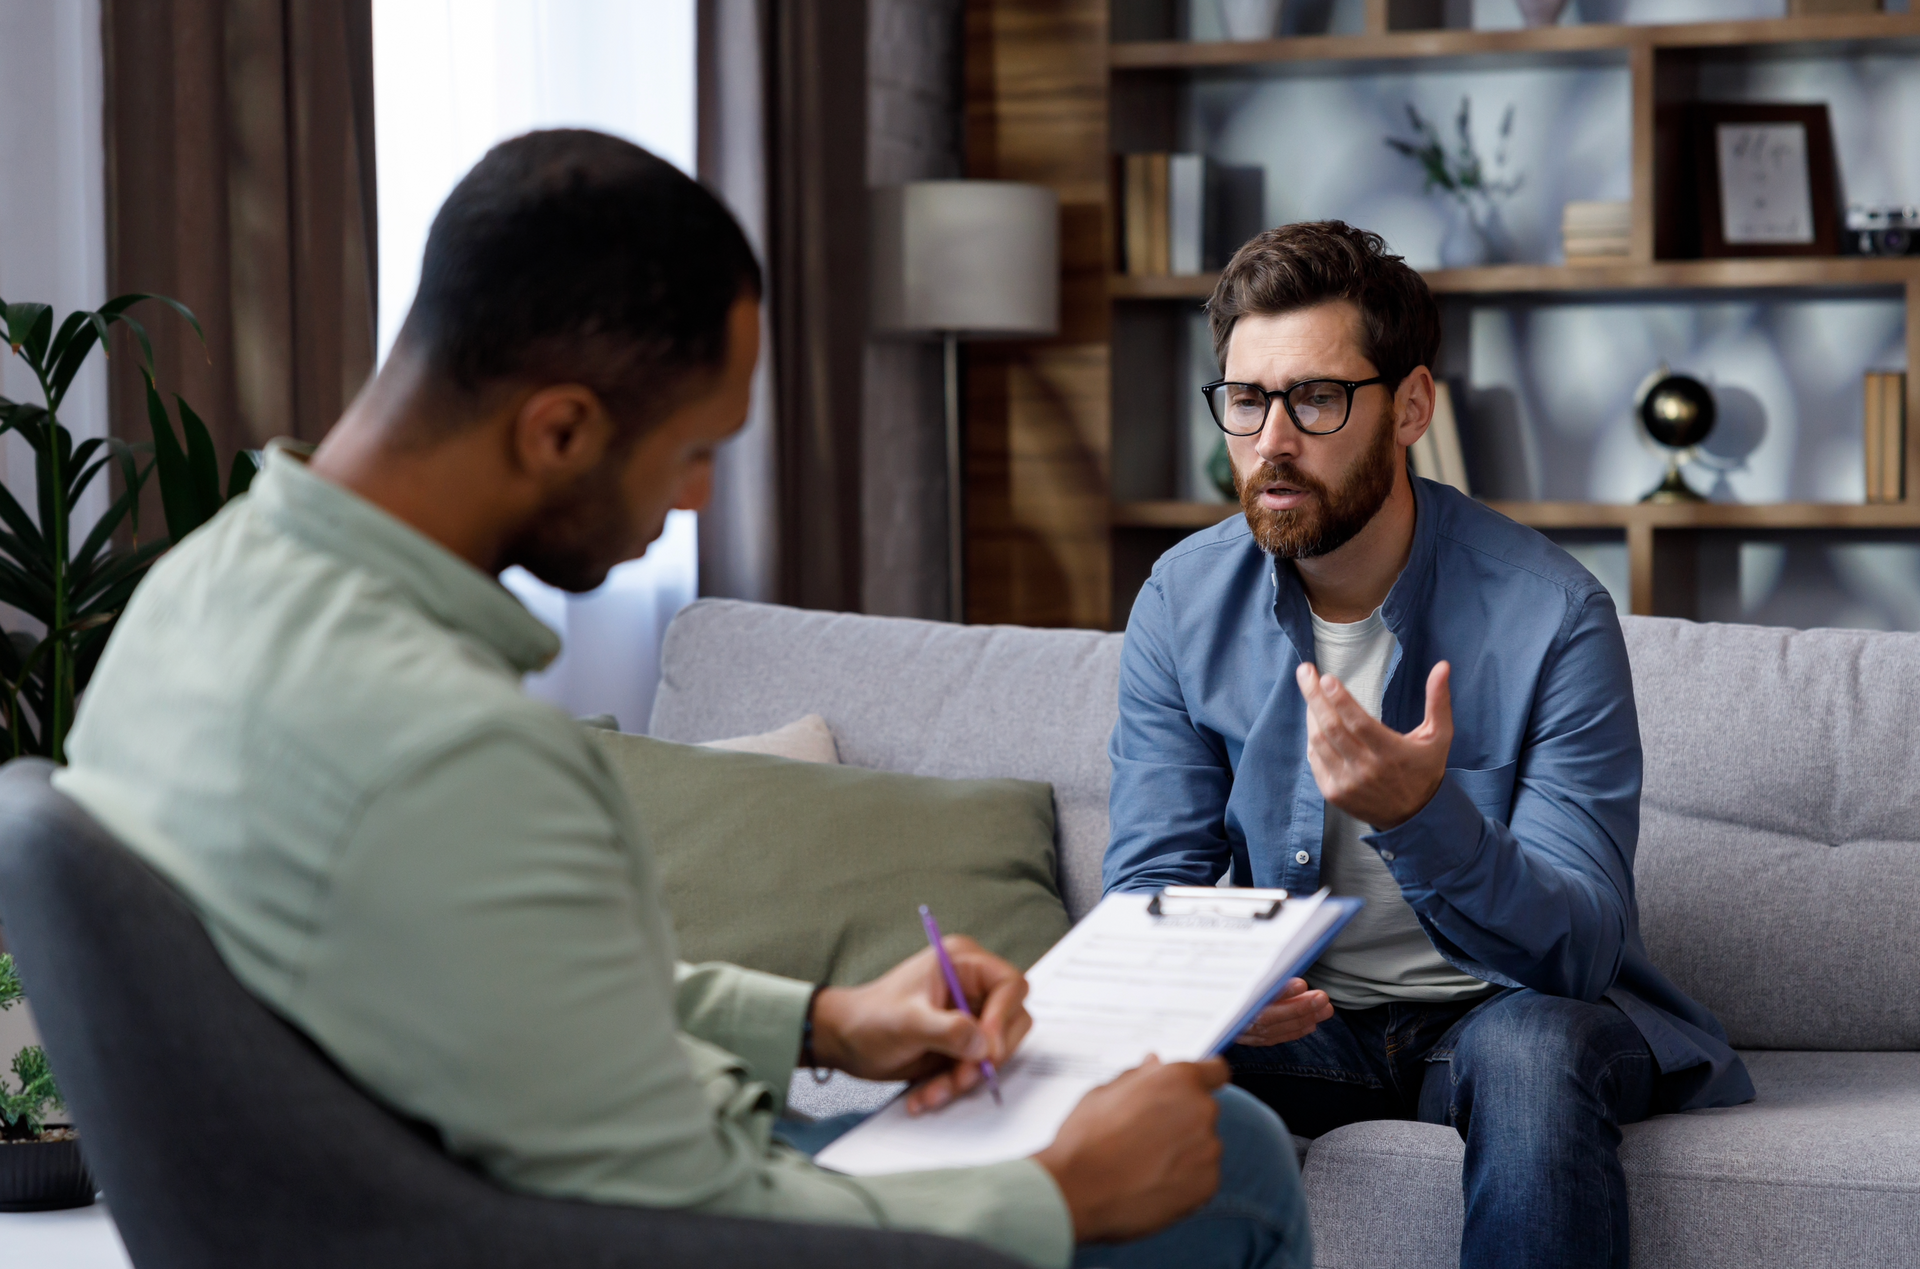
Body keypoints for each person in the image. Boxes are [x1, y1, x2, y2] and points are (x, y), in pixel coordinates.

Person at [54, 130, 1311, 1269]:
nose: (698, 501)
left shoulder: (188, 603)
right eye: (695, 450)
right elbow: (685, 1225)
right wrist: (1059, 1193)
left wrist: (826, 1023)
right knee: (1235, 1160)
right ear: (558, 430)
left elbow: (492, 983)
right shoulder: (450, 749)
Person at [1103, 220, 1755, 1269]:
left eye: (1316, 399)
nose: (1272, 440)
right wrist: (1207, 977)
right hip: (1307, 1023)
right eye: (1246, 400)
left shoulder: (1553, 615)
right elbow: (1150, 885)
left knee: (1536, 1053)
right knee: (1112, 1064)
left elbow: (1577, 952)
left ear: (1410, 407)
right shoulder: (1182, 601)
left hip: (1503, 1013)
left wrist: (1421, 816)